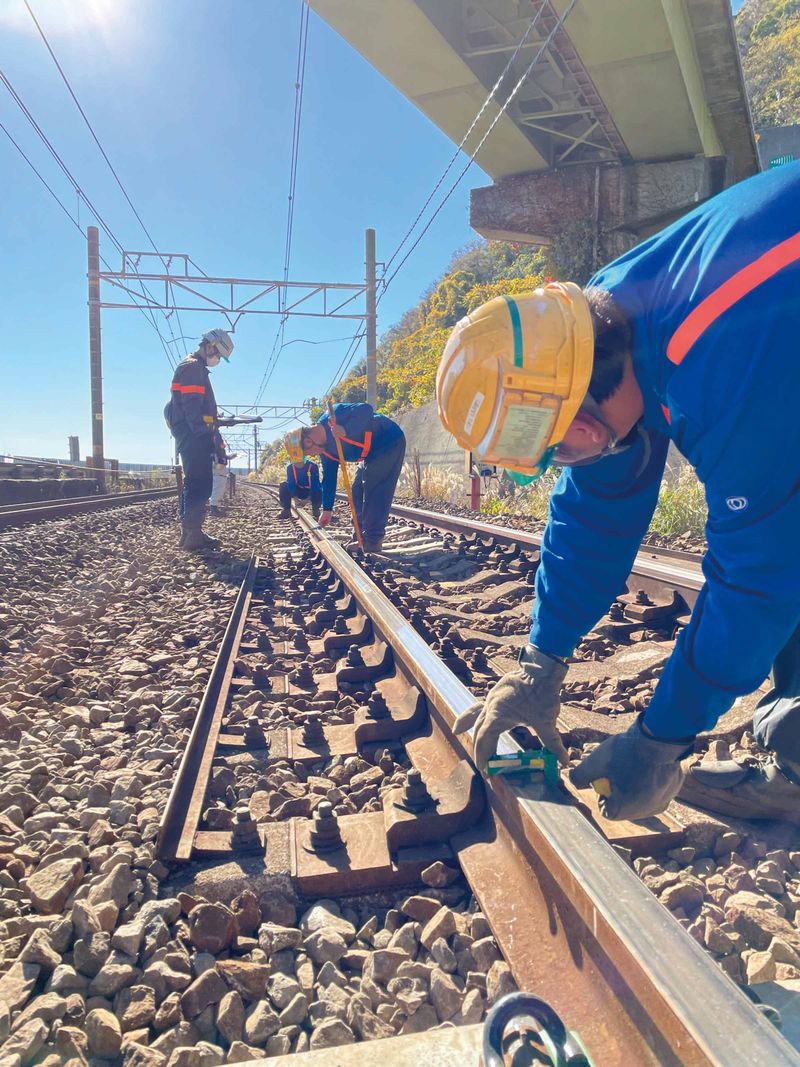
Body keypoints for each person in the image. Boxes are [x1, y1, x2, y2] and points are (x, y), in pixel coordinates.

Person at [437, 161, 800, 822]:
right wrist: (540, 663)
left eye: (560, 452)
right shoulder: (591, 326)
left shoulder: (723, 352)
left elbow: (758, 580)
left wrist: (660, 738)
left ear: (580, 422)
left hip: (766, 320)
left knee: (780, 547)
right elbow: (597, 511)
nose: (567, 465)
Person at [300, 402, 405, 552]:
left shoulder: (333, 415)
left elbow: (366, 409)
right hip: (369, 454)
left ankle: (372, 542)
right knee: (357, 490)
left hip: (388, 440)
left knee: (374, 488)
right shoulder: (326, 452)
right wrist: (327, 508)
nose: (312, 456)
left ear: (308, 441)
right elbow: (329, 478)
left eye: (309, 453)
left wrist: (345, 430)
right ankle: (360, 539)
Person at [165, 329, 234, 550]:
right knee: (200, 483)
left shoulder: (194, 367)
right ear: (211, 347)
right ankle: (192, 535)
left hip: (189, 431)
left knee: (194, 481)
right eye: (219, 356)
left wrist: (215, 420)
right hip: (193, 434)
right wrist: (204, 433)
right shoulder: (193, 368)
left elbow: (193, 405)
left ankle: (191, 533)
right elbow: (191, 405)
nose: (218, 360)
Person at [280, 430, 322, 519]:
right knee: (283, 485)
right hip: (298, 490)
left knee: (319, 488)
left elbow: (315, 484)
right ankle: (286, 510)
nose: (297, 464)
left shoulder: (313, 466)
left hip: (309, 491)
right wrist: (295, 499)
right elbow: (291, 483)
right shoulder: (290, 468)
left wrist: (307, 500)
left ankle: (316, 509)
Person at [209, 434, 237, 516]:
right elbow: (216, 450)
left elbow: (218, 450)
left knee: (218, 485)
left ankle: (213, 507)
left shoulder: (211, 433)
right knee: (218, 485)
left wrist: (227, 457)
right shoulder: (213, 434)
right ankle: (214, 508)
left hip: (217, 462)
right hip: (217, 464)